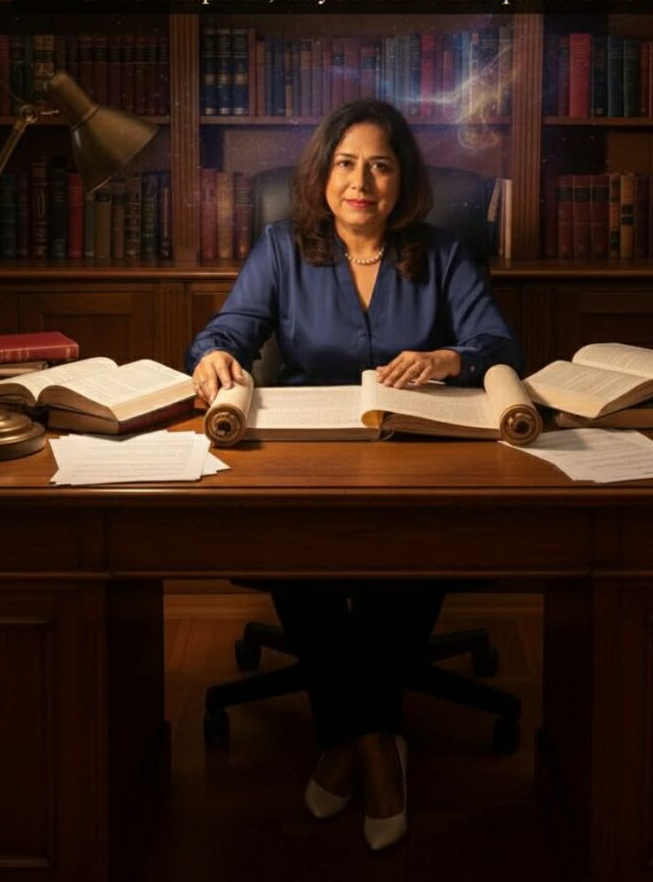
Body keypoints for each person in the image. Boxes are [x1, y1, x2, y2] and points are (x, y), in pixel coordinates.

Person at [186, 99, 523, 852]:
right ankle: (373, 743)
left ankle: (345, 740)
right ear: (322, 173)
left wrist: (448, 358)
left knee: (413, 556)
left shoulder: (439, 253)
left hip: (419, 455)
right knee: (289, 556)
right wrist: (212, 355)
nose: (360, 180)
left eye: (379, 163)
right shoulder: (281, 248)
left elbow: (496, 340)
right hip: (310, 460)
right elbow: (229, 330)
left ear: (401, 179)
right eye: (345, 163)